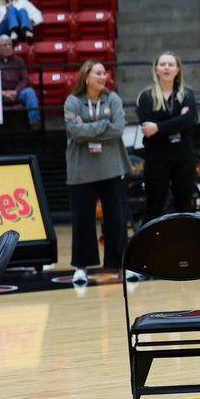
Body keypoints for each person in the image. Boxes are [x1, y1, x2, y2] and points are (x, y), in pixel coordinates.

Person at [64, 60, 131, 285]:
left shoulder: (113, 99)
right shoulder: (73, 101)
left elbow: (118, 129)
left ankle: (121, 266)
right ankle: (81, 268)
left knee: (116, 219)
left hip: (111, 167)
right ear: (86, 77)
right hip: (81, 170)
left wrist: (90, 128)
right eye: (98, 73)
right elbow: (75, 132)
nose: (103, 77)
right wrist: (104, 124)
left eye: (105, 73)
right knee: (82, 219)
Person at [137, 52, 199, 221]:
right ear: (156, 69)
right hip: (156, 158)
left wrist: (158, 126)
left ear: (177, 69)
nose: (166, 67)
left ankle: (182, 247)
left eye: (170, 64)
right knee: (154, 208)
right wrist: (178, 121)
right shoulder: (146, 96)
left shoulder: (187, 94)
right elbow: (146, 128)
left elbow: (190, 121)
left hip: (183, 158)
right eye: (162, 64)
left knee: (184, 209)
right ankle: (148, 247)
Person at [0, 35, 41, 129]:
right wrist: (2, 92)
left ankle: (35, 122)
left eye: (10, 45)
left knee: (29, 92)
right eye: (4, 45)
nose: (8, 47)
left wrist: (16, 91)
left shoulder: (18, 61)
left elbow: (25, 79)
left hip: (16, 92)